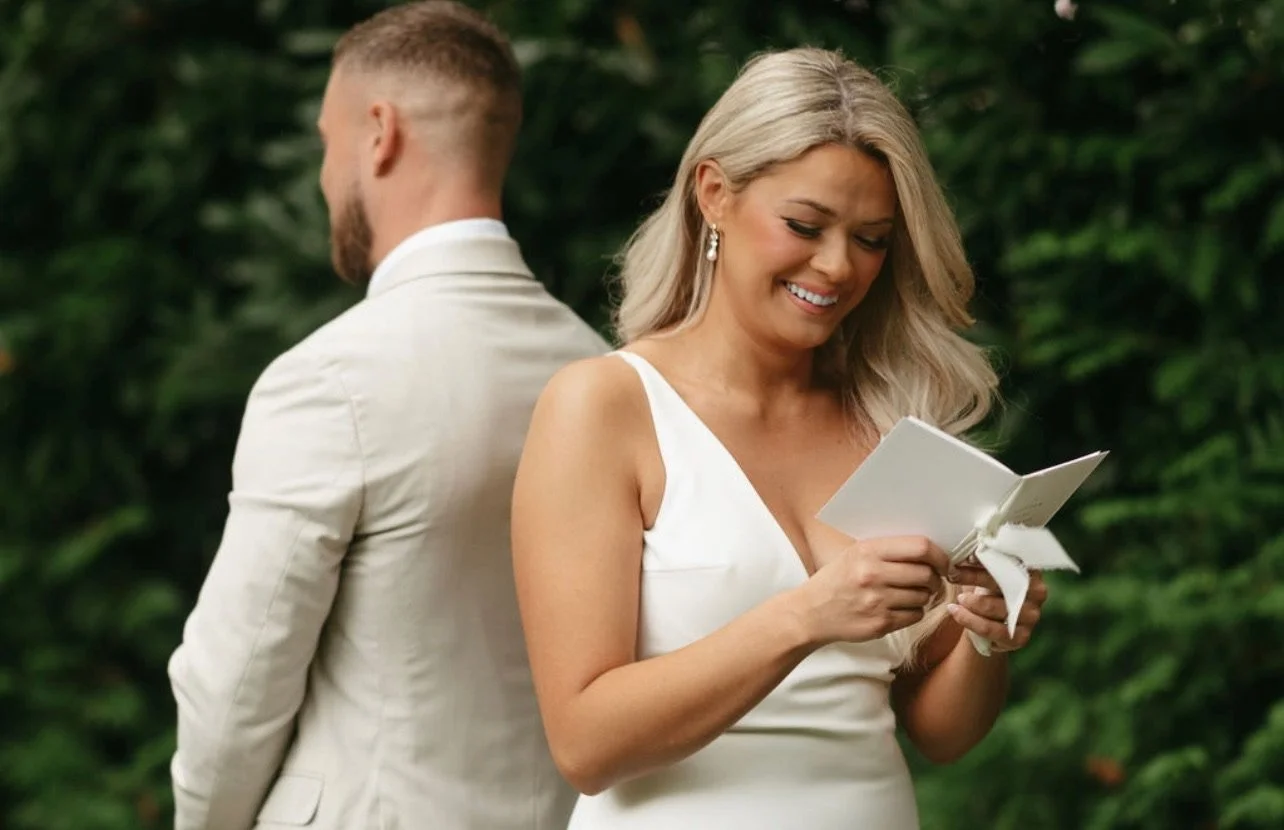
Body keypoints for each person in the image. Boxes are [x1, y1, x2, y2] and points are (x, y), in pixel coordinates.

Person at [511, 47, 1051, 829]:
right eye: (805, 225)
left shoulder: (888, 423)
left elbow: (937, 733)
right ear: (715, 195)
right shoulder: (605, 407)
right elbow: (585, 743)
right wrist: (804, 616)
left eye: (870, 239)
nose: (837, 267)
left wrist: (984, 638)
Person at [167, 3, 605, 828]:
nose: (326, 178)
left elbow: (235, 679)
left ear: (380, 133)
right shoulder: (598, 369)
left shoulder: (331, 380)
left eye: (328, 145)